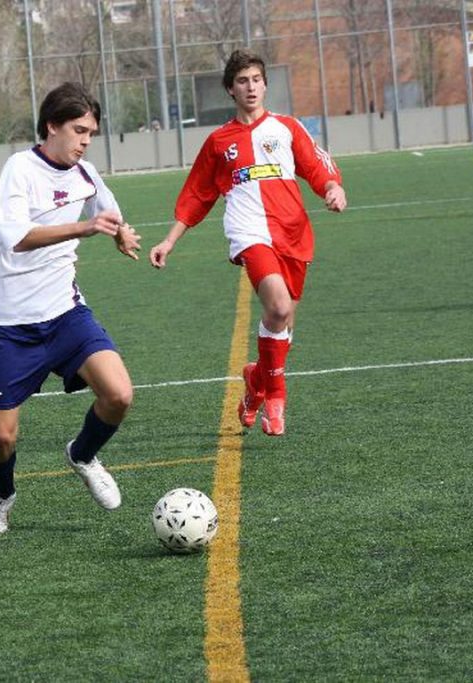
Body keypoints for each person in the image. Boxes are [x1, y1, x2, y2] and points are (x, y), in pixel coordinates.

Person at [0, 81, 141, 535]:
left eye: (90, 134)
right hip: (10, 323)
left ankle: (82, 454)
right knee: (2, 438)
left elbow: (110, 209)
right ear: (52, 127)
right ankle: (2, 495)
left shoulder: (87, 173)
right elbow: (18, 238)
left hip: (65, 313)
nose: (85, 141)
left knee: (119, 394)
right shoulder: (20, 169)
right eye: (78, 131)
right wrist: (83, 228)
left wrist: (121, 232)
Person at [149, 49, 347, 437]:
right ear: (230, 89)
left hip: (292, 231)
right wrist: (169, 241)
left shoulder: (288, 128)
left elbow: (316, 165)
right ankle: (276, 396)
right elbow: (197, 195)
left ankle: (256, 381)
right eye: (242, 81)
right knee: (276, 305)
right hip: (249, 231)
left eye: (256, 79)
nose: (251, 87)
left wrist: (333, 187)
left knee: (284, 319)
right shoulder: (219, 142)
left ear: (265, 85)